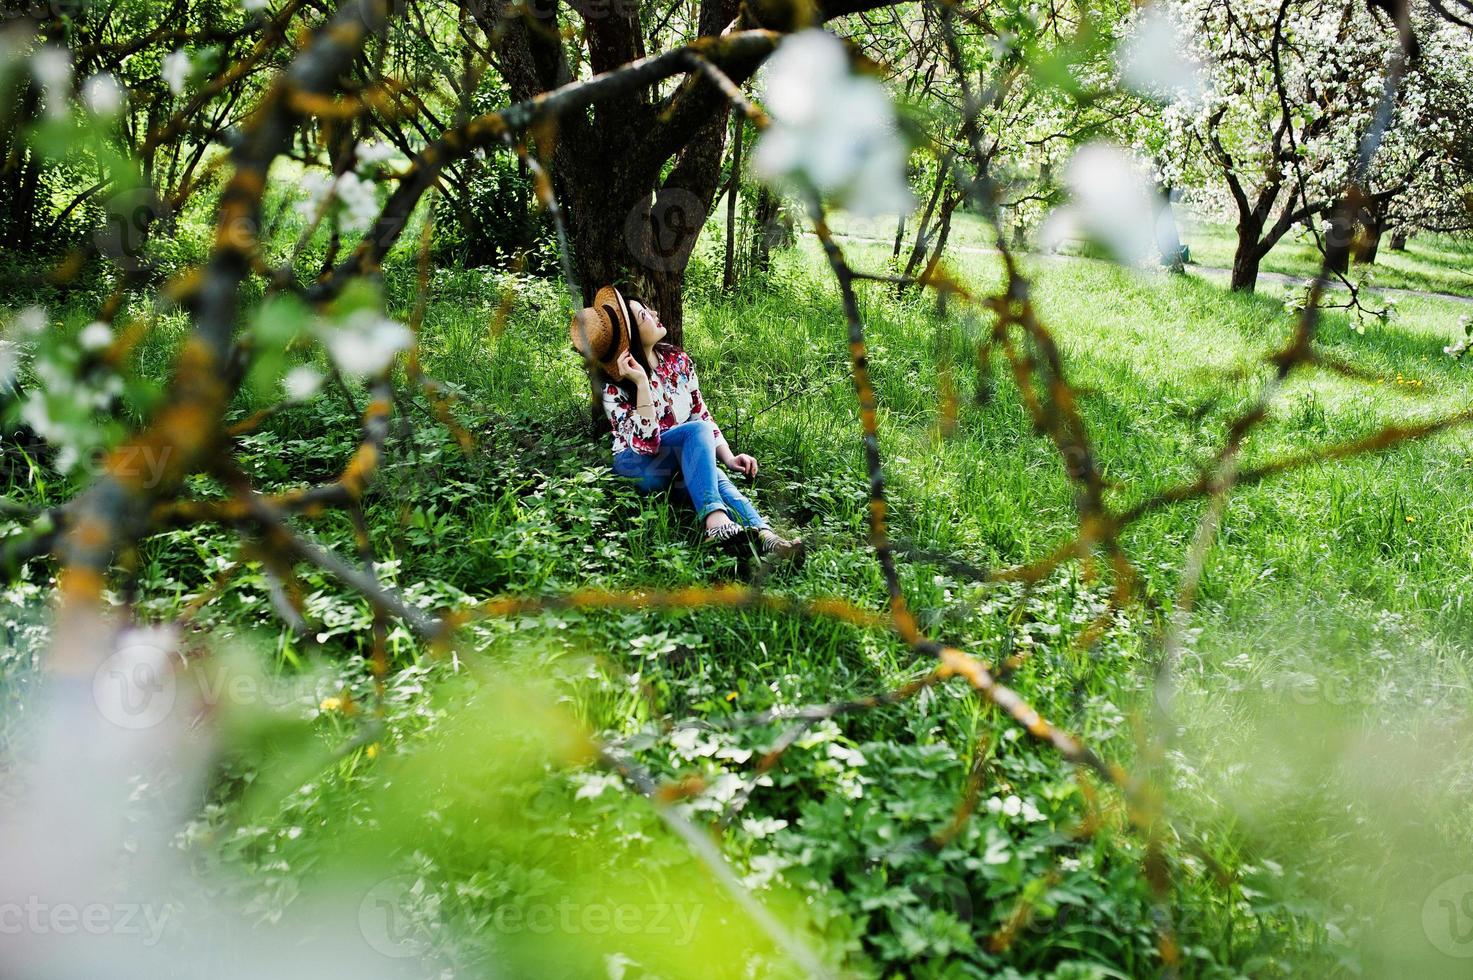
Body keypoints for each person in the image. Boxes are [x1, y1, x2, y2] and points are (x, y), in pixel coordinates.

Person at [570, 285, 802, 559]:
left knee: (717, 476)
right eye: (644, 315)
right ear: (631, 337)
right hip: (640, 467)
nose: (654, 313)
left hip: (679, 460)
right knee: (695, 437)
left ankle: (768, 539)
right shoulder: (614, 388)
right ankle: (716, 524)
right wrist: (641, 383)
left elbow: (700, 413)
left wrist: (728, 457)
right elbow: (646, 446)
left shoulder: (677, 361)